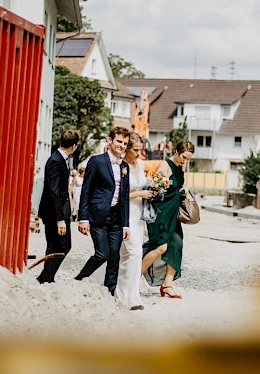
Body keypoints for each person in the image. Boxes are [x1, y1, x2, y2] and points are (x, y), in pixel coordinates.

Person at [75, 126, 131, 295]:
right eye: (119, 141)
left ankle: (109, 293)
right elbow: (86, 190)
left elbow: (125, 196)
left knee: (114, 258)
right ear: (110, 140)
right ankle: (78, 280)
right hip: (98, 216)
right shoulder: (97, 161)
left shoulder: (125, 166)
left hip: (116, 219)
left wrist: (126, 224)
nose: (121, 145)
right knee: (102, 254)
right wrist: (83, 218)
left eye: (125, 143)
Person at [141, 139, 195, 299]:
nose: (185, 161)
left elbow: (177, 186)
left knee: (177, 244)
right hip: (161, 214)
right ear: (177, 152)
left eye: (188, 158)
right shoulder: (165, 166)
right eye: (184, 157)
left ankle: (167, 285)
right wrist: (174, 191)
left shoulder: (180, 166)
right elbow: (155, 191)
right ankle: (132, 278)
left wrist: (183, 190)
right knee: (160, 247)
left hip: (173, 214)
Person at [117, 133, 155, 310]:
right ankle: (131, 298)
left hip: (139, 214)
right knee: (134, 253)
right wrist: (140, 193)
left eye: (141, 150)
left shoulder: (139, 164)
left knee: (126, 255)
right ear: (127, 148)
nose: (139, 154)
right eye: (136, 150)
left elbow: (142, 184)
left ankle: (122, 294)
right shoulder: (120, 165)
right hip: (126, 213)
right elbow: (118, 195)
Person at [36, 130, 80, 284]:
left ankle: (47, 277)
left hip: (58, 212)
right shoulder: (55, 160)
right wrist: (60, 219)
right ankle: (45, 278)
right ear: (74, 146)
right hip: (53, 214)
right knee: (59, 246)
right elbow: (54, 192)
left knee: (60, 246)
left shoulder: (60, 159)